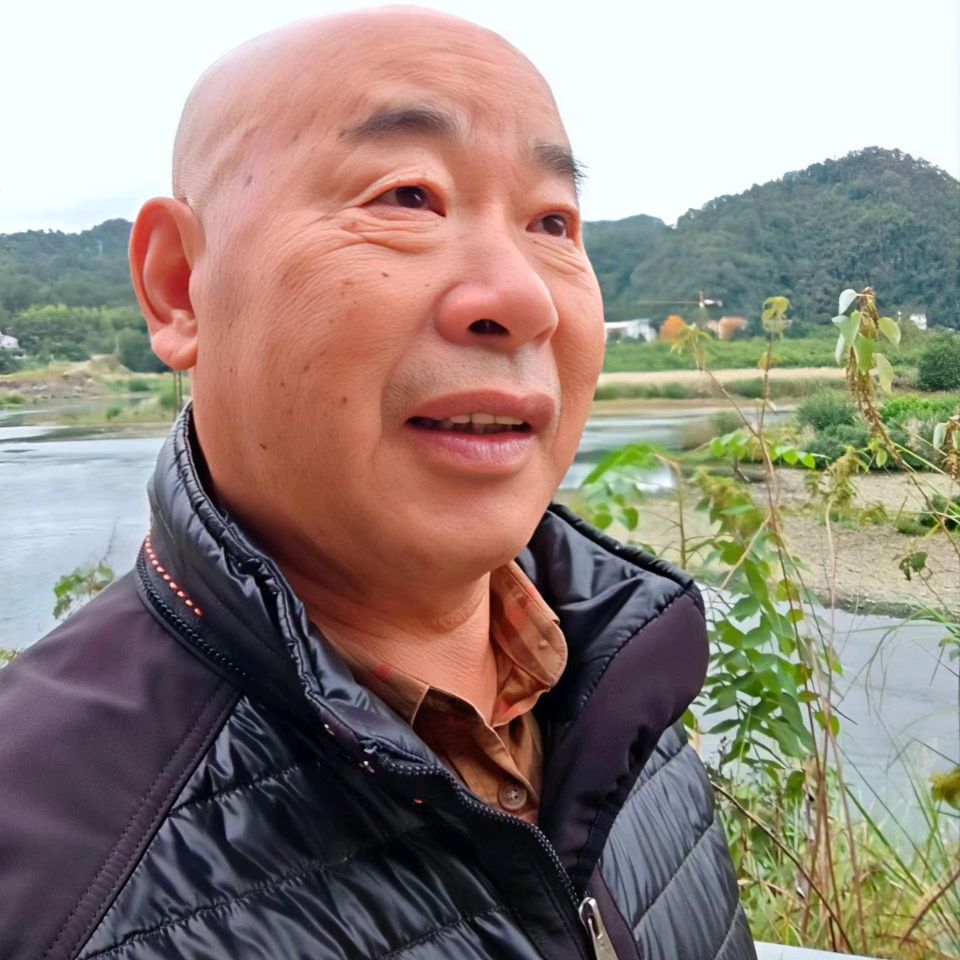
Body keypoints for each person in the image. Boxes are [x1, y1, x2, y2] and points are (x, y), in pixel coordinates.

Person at [0, 9, 756, 959]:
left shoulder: (616, 680)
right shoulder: (52, 875)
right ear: (182, 284)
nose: (523, 298)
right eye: (408, 198)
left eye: (552, 222)